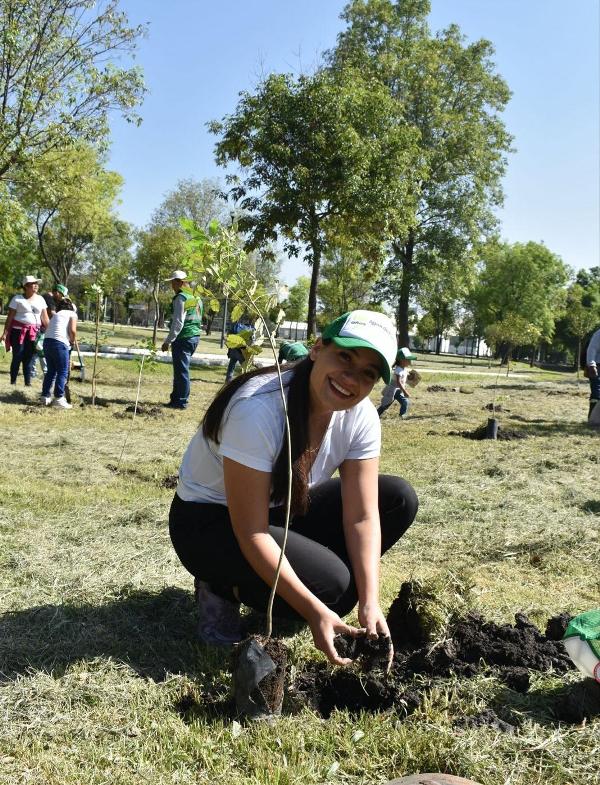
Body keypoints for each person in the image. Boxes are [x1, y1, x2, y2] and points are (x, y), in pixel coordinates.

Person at [169, 309, 419, 666]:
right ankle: (221, 585)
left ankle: (308, 583)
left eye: (367, 373)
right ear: (317, 348)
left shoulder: (360, 416)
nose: (350, 379)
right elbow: (251, 530)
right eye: (344, 357)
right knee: (334, 589)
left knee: (397, 499)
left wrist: (370, 601)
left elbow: (363, 516)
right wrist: (315, 608)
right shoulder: (259, 409)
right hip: (209, 524)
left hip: (280, 508)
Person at [161, 271, 203, 409]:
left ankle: (181, 401)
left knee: (182, 371)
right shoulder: (196, 297)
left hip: (183, 338)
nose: (171, 286)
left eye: (173, 282)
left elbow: (178, 322)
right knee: (180, 370)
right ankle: (175, 399)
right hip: (194, 337)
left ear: (180, 282)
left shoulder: (181, 298)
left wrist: (168, 341)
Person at [0, 276, 49, 387]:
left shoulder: (41, 299)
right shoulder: (17, 299)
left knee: (29, 358)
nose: (36, 285)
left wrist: (50, 331)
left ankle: (28, 383)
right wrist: (5, 333)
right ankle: (13, 382)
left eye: (37, 283)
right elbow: (10, 318)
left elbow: (45, 318)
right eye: (33, 283)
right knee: (17, 356)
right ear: (26, 286)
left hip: (34, 333)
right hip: (18, 332)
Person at [40, 297, 77, 408]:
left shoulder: (57, 315)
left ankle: (45, 396)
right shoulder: (72, 314)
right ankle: (59, 398)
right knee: (63, 371)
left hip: (47, 342)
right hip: (59, 343)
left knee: (51, 370)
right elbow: (73, 330)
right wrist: (72, 341)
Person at [377, 347, 417, 419]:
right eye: (408, 359)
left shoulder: (403, 369)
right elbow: (398, 382)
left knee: (405, 402)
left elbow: (405, 377)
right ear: (402, 360)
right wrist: (405, 391)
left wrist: (410, 376)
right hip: (392, 390)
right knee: (386, 404)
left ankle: (402, 415)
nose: (410, 361)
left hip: (398, 391)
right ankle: (376, 414)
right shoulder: (398, 370)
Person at [585, 326, 600, 422]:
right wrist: (591, 365)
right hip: (597, 367)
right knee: (597, 393)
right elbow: (592, 348)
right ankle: (593, 420)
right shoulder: (599, 333)